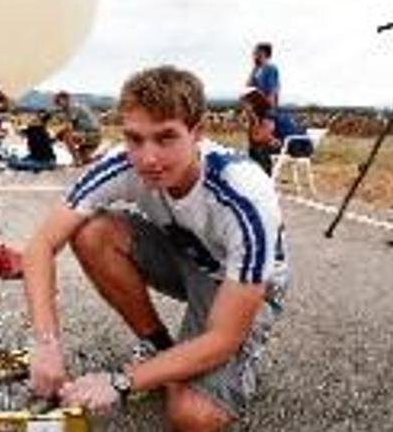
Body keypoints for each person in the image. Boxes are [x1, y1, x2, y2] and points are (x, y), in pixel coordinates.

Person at [23, 66, 288, 431]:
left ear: (197, 132)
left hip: (238, 285)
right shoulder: (122, 164)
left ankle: (238, 363)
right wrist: (46, 343)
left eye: (165, 138)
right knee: (91, 232)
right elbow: (41, 244)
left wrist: (121, 382)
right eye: (135, 139)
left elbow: (223, 337)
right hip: (187, 255)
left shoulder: (245, 194)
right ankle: (159, 346)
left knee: (192, 415)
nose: (147, 158)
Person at [52, 91, 101, 166]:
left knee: (66, 136)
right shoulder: (72, 108)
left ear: (66, 99)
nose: (58, 105)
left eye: (59, 101)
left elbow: (68, 128)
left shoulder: (73, 108)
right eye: (57, 102)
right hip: (91, 135)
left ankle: (76, 161)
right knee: (85, 159)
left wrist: (55, 137)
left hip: (92, 135)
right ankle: (87, 157)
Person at [246, 42, 280, 107]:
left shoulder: (271, 68)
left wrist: (271, 104)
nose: (255, 56)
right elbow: (248, 86)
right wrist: (254, 69)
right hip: (256, 102)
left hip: (266, 102)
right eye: (255, 53)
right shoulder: (256, 70)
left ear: (266, 55)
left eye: (258, 53)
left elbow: (272, 88)